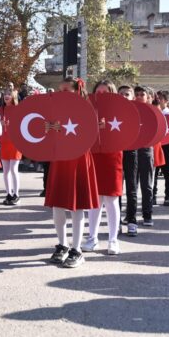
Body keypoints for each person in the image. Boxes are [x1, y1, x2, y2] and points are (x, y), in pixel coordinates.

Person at [46, 77, 99, 268]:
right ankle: (62, 245)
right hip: (60, 158)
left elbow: (89, 135)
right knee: (57, 204)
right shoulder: (54, 110)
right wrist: (48, 129)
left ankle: (76, 249)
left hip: (78, 159)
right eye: (60, 90)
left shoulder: (85, 109)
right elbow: (46, 136)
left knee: (77, 205)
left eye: (66, 90)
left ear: (77, 91)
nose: (62, 93)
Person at [83, 80, 122, 255]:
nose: (100, 95)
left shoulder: (119, 110)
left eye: (105, 92)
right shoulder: (88, 109)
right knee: (95, 200)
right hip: (94, 156)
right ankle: (92, 238)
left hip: (112, 155)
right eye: (98, 92)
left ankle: (113, 240)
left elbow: (125, 132)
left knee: (111, 199)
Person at [117, 85, 139, 236]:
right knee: (116, 190)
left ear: (132, 97)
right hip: (116, 153)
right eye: (121, 94)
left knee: (131, 189)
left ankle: (132, 221)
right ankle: (116, 222)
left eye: (127, 94)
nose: (124, 96)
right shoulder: (112, 112)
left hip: (132, 152)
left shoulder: (137, 112)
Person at [133, 85, 156, 228]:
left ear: (148, 97)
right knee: (131, 186)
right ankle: (131, 215)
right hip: (131, 150)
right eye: (137, 94)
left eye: (143, 94)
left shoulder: (153, 112)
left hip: (146, 150)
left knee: (146, 185)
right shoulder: (130, 110)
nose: (140, 96)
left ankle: (147, 214)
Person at [0, 88, 22, 205]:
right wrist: (1, 123)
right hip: (4, 141)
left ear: (13, 96)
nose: (6, 96)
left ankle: (16, 194)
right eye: (5, 94)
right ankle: (8, 194)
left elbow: (22, 125)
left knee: (14, 169)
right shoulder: (2, 109)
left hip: (15, 143)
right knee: (5, 171)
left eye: (9, 94)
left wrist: (11, 124)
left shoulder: (18, 109)